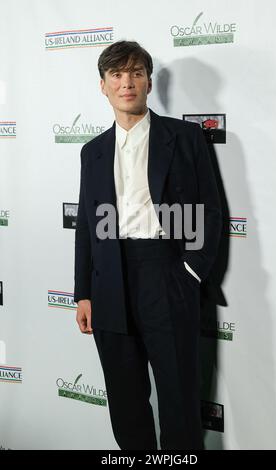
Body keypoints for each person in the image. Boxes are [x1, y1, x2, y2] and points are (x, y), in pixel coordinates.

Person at [74, 40, 222, 450]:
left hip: (166, 273)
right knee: (125, 402)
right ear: (103, 86)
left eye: (136, 73)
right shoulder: (92, 152)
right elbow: (87, 225)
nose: (127, 83)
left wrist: (190, 271)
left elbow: (209, 211)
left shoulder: (186, 137)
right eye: (117, 75)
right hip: (109, 284)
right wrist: (83, 293)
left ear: (148, 83)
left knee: (178, 400)